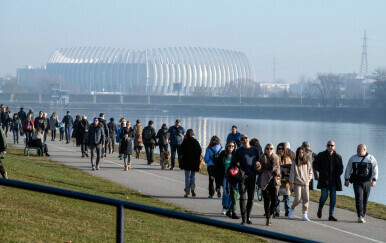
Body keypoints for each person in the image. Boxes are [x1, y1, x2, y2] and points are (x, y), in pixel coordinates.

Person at [230, 134, 260, 225]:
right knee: (242, 198)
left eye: (246, 138)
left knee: (251, 199)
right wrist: (236, 169)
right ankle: (243, 218)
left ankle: (248, 217)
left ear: (248, 139)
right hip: (242, 177)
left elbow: (259, 161)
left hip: (252, 177)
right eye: (242, 139)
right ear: (241, 141)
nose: (245, 139)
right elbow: (233, 163)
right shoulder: (238, 151)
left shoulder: (255, 150)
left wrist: (258, 165)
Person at [344, 144, 378, 223]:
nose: (358, 151)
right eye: (357, 149)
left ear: (364, 150)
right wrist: (346, 179)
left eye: (359, 150)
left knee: (365, 200)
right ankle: (360, 216)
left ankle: (363, 214)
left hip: (367, 182)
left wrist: (374, 180)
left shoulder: (371, 158)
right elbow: (348, 169)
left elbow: (375, 170)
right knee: (359, 198)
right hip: (357, 182)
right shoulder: (353, 158)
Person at [314, 140, 343, 221]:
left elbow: (341, 168)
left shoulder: (338, 157)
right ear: (326, 146)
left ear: (334, 146)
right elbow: (315, 164)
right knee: (324, 196)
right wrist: (322, 171)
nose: (330, 147)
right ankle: (320, 208)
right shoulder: (321, 155)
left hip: (334, 181)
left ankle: (331, 215)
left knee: (333, 198)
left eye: (332, 145)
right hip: (324, 180)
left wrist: (337, 175)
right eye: (328, 145)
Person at [256, 143, 280, 226]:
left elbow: (277, 168)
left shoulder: (276, 157)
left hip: (273, 180)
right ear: (265, 149)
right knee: (266, 199)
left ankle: (271, 213)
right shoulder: (262, 157)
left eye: (271, 148)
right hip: (264, 180)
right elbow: (259, 171)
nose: (269, 150)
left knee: (274, 199)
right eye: (267, 148)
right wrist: (258, 167)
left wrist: (276, 172)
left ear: (273, 150)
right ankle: (268, 216)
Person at [288, 147, 313, 221]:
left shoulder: (307, 162)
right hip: (297, 183)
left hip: (306, 184)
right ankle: (292, 208)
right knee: (297, 199)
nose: (301, 154)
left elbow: (310, 172)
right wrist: (291, 183)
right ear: (297, 153)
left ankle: (304, 213)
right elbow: (292, 173)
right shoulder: (294, 163)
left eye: (302, 152)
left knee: (306, 199)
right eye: (299, 152)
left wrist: (308, 179)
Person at [178, 129, 202, 197]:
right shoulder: (196, 142)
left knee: (187, 176)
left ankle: (187, 190)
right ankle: (192, 187)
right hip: (194, 162)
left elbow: (180, 151)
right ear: (193, 134)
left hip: (187, 161)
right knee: (193, 176)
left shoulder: (185, 141)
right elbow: (200, 151)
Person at [216, 140, 238, 216]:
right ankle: (224, 207)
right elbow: (218, 165)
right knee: (225, 191)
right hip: (225, 175)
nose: (231, 147)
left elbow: (238, 165)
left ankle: (229, 207)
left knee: (232, 192)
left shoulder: (236, 155)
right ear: (226, 146)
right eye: (229, 146)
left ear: (234, 147)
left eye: (232, 146)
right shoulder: (223, 154)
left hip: (233, 176)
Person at [275, 142, 292, 217]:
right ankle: (277, 210)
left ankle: (287, 210)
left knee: (287, 195)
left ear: (285, 149)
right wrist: (282, 170)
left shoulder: (288, 158)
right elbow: (274, 167)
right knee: (277, 195)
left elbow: (291, 167)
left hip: (286, 178)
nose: (280, 150)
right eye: (279, 149)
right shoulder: (275, 157)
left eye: (282, 149)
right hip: (278, 178)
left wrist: (287, 171)